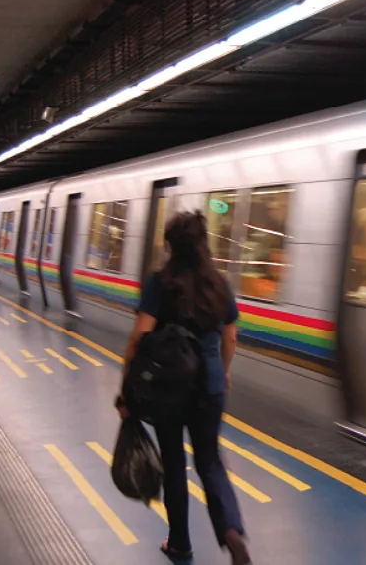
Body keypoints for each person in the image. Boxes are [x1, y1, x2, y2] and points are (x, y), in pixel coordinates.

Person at [116, 211, 251, 564]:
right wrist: (222, 372)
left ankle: (179, 543)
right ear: (204, 243)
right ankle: (232, 532)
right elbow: (231, 338)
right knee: (210, 462)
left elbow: (138, 338)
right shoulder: (220, 284)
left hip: (169, 387)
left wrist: (126, 390)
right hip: (210, 385)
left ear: (169, 245)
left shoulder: (161, 282)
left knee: (174, 463)